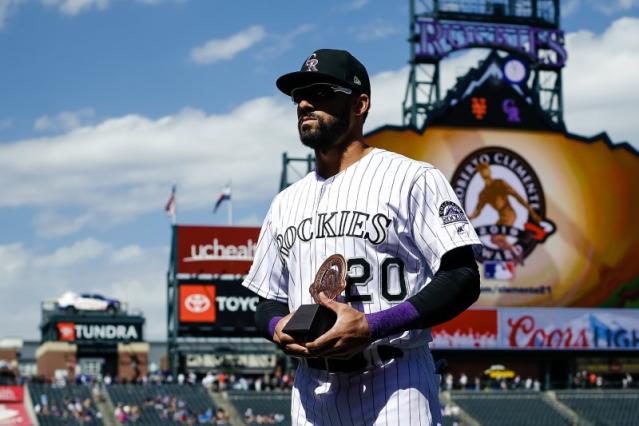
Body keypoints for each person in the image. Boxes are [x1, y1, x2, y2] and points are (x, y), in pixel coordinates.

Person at [242, 48, 481, 426]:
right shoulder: (285, 203)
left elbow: (462, 277)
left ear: (360, 104)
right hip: (310, 392)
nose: (304, 103)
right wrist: (277, 327)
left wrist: (373, 325)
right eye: (298, 96)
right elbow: (267, 301)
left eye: (320, 93)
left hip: (394, 382)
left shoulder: (412, 178)